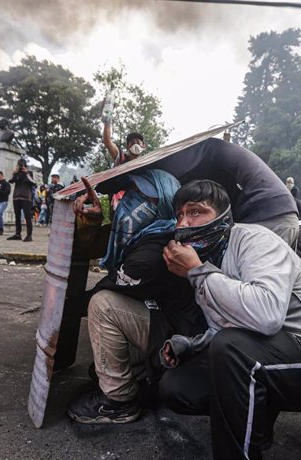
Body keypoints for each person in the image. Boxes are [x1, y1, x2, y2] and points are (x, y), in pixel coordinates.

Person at [159, 180, 301, 460]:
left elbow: (267, 316)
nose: (185, 222)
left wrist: (198, 272)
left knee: (231, 349)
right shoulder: (209, 259)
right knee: (177, 387)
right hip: (271, 356)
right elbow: (222, 326)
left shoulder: (255, 240)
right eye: (179, 215)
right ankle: (258, 425)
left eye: (196, 212)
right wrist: (190, 345)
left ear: (224, 214)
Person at [66, 170, 207, 424]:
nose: (129, 202)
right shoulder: (145, 233)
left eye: (141, 197)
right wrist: (94, 224)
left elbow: (102, 291)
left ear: (163, 203)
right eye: (129, 194)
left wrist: (60, 309)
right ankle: (143, 376)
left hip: (183, 337)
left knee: (103, 304)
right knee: (99, 369)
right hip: (168, 320)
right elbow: (92, 245)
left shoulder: (157, 249)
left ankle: (119, 402)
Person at [133, 138, 300, 247]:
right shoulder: (217, 152)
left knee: (256, 284)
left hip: (269, 218)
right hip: (281, 213)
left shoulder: (209, 153)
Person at [7, 159, 36, 242]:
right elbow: (10, 181)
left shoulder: (29, 173)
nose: (21, 167)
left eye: (22, 165)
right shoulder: (16, 173)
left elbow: (34, 183)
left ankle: (29, 235)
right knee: (17, 217)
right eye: (19, 165)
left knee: (28, 217)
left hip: (26, 198)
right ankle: (17, 234)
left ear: (25, 165)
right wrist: (14, 172)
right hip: (16, 197)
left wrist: (26, 173)